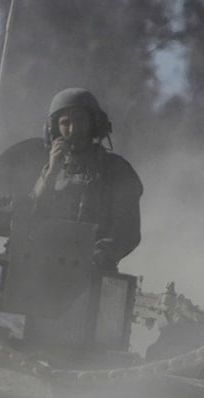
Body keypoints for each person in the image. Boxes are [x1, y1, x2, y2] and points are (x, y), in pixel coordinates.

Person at [31, 88, 143, 273]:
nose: (73, 129)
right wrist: (51, 175)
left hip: (94, 272)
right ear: (53, 129)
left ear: (94, 124)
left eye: (80, 120)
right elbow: (26, 219)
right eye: (65, 123)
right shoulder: (48, 172)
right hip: (43, 268)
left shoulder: (117, 170)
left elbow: (127, 231)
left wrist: (97, 258)